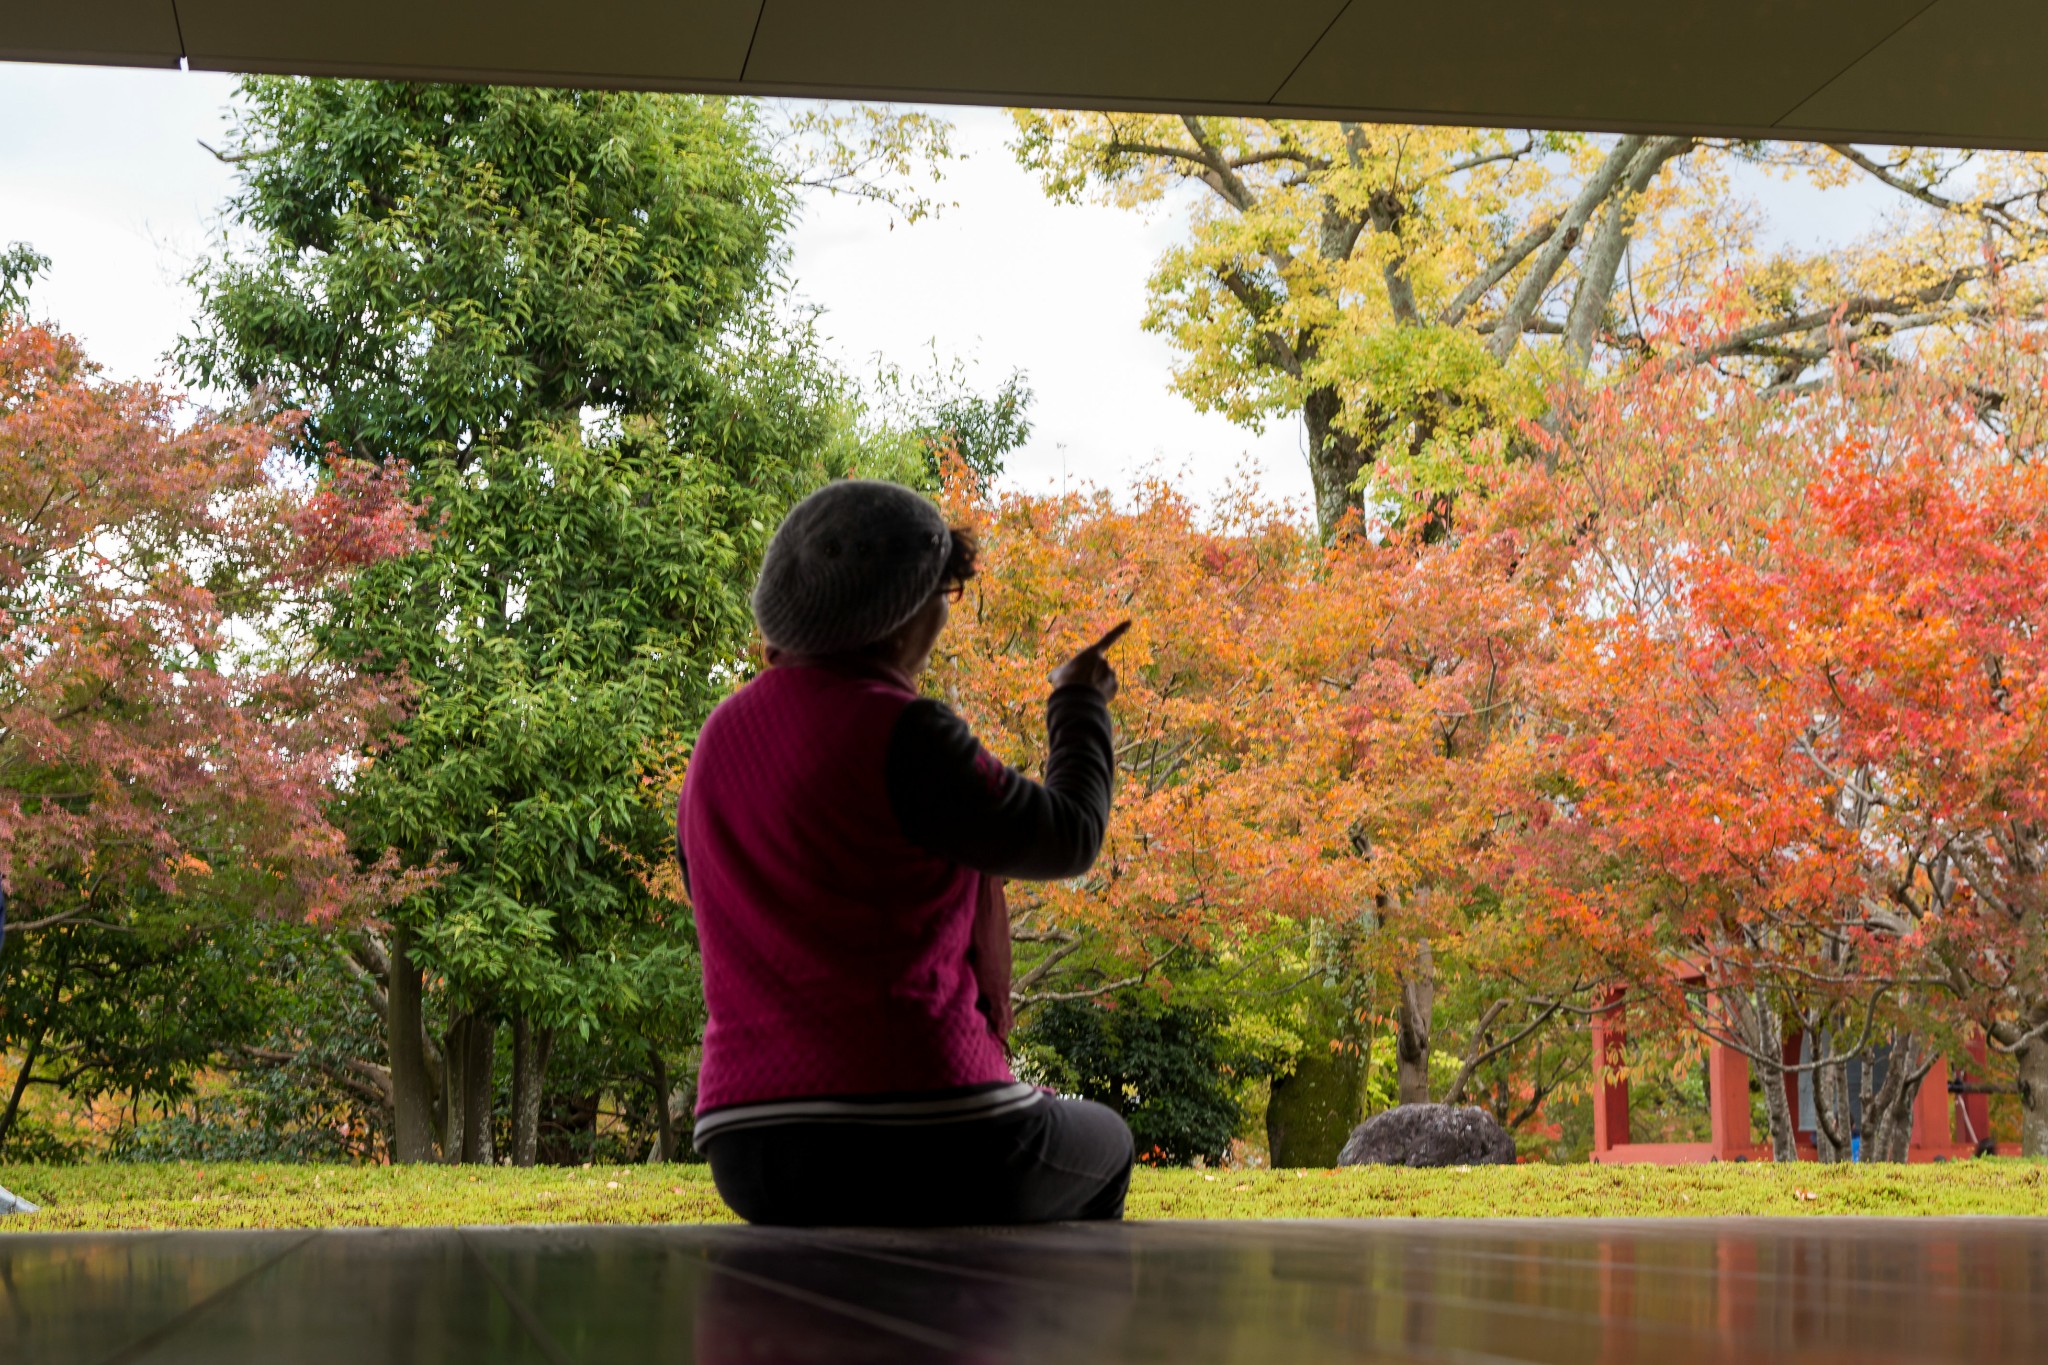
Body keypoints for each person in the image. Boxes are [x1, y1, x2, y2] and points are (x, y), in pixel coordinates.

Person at [678, 479, 1132, 1226]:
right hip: (923, 1128)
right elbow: (1068, 833)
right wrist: (1078, 703)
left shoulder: (715, 743)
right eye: (941, 595)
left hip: (746, 1148)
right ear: (903, 616)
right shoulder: (904, 732)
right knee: (1107, 1143)